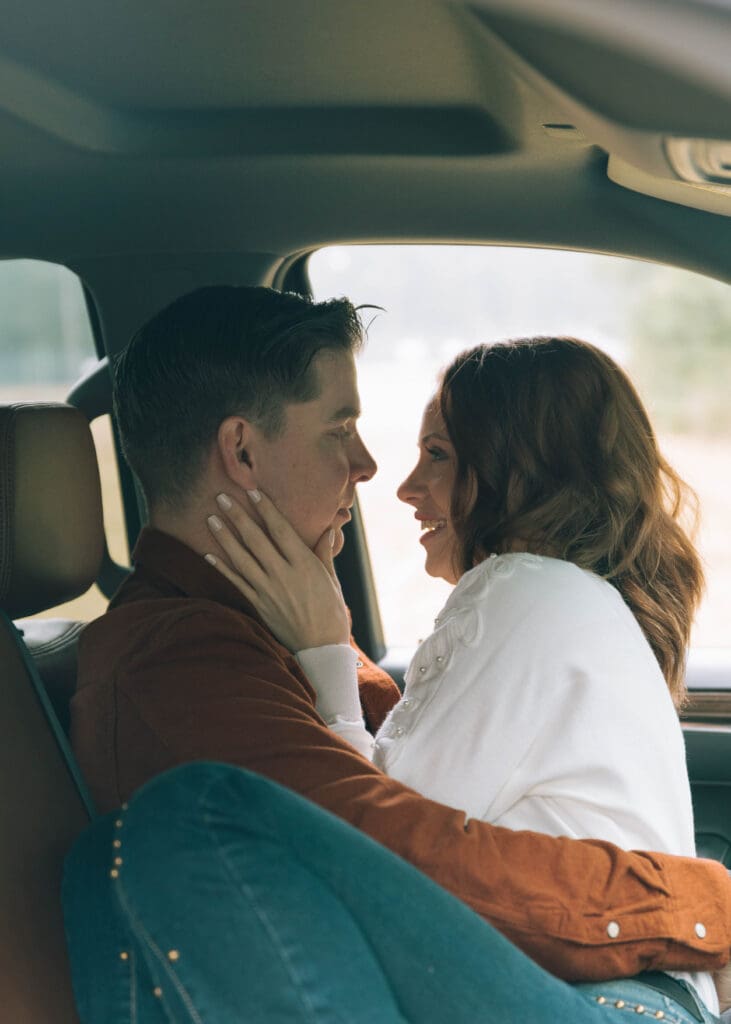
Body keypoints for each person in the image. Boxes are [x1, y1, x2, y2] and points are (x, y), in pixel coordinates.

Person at [63, 289, 731, 1023]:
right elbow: (408, 855)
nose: (372, 467)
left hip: (603, 995)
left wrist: (328, 649)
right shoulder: (183, 662)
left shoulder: (284, 629)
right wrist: (700, 908)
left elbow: (405, 822)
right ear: (243, 451)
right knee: (190, 813)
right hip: (608, 994)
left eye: (434, 454)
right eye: (339, 429)